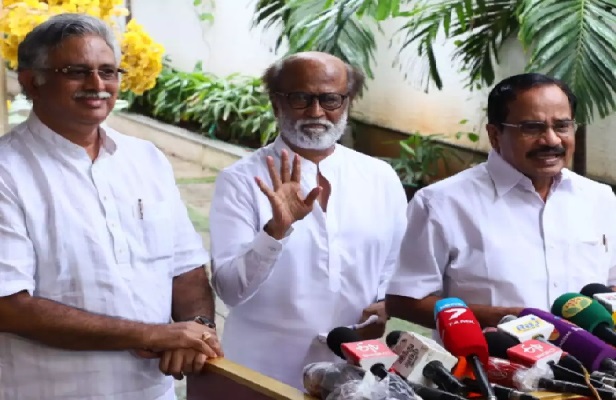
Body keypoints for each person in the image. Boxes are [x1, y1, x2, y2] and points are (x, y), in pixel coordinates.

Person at [0, 13, 223, 400]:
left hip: (153, 391)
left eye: (108, 71)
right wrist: (150, 334)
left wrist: (198, 327)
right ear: (32, 81)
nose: (97, 85)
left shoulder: (146, 158)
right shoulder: (8, 171)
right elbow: (9, 305)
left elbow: (185, 266)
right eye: (77, 72)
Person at [208, 51, 408, 389]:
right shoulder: (241, 181)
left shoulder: (380, 177)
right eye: (301, 98)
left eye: (330, 99)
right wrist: (275, 232)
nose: (316, 112)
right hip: (263, 374)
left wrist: (386, 304)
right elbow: (229, 290)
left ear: (347, 102)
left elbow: (396, 266)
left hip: (354, 373)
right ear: (276, 102)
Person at [386, 72, 616, 331]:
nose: (551, 140)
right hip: (489, 356)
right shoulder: (440, 203)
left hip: (592, 357)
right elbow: (405, 300)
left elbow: (610, 285)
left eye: (562, 126)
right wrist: (497, 319)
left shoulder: (599, 198)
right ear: (495, 135)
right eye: (532, 128)